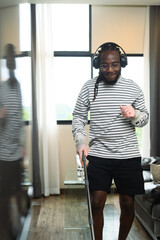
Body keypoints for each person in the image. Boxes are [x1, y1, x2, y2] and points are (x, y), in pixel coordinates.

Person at [72, 42, 149, 240]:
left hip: (128, 155)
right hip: (99, 154)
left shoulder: (133, 88)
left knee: (127, 203)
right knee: (96, 202)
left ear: (121, 63)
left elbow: (144, 118)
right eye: (105, 65)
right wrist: (80, 141)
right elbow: (79, 116)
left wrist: (134, 114)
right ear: (98, 64)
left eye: (115, 64)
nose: (110, 69)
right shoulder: (89, 87)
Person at [0, 43, 25, 239]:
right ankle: (7, 229)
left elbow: (19, 117)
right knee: (4, 195)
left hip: (16, 151)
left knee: (16, 190)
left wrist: (23, 143)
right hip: (2, 154)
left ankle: (21, 221)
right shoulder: (1, 89)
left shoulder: (17, 87)